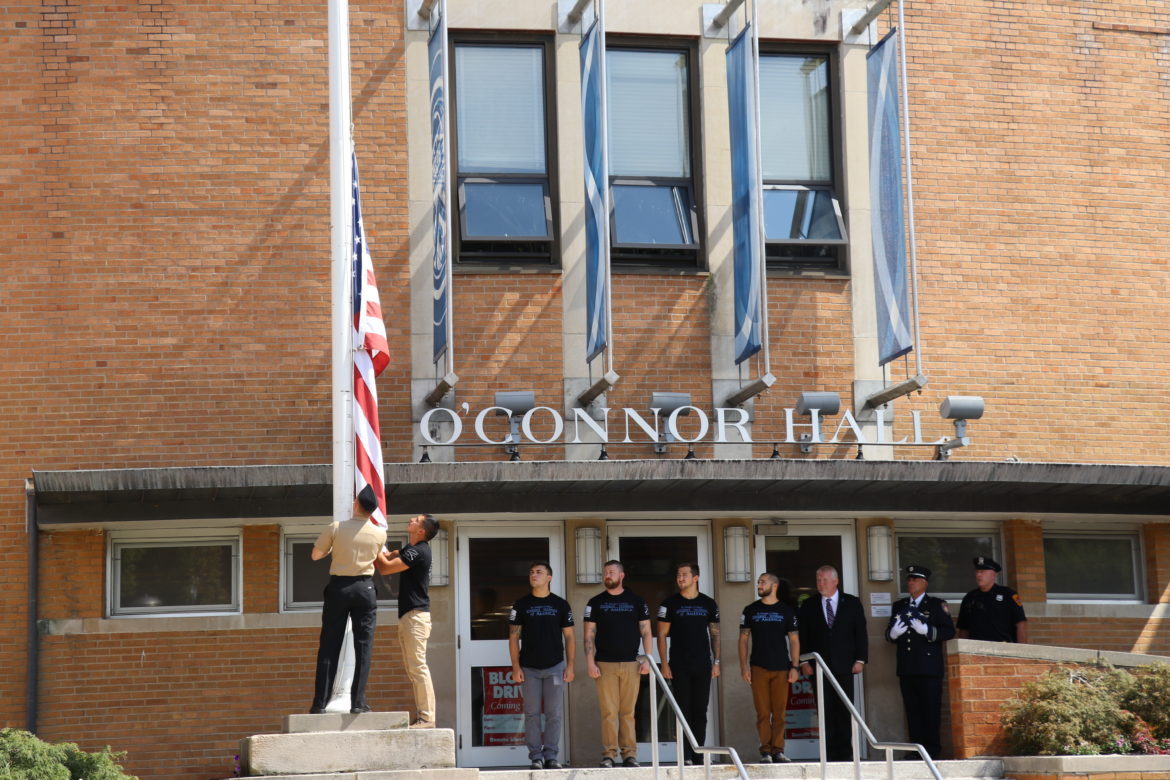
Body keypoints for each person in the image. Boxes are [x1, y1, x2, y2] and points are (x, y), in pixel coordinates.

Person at [309, 485, 385, 715]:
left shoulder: (336, 528)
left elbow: (315, 555)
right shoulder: (380, 533)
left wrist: (334, 547)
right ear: (372, 510)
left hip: (339, 587)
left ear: (356, 504)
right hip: (365, 588)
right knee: (364, 647)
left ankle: (319, 704)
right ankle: (358, 702)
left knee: (329, 646)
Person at [584, 560, 653, 769]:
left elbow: (647, 631)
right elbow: (588, 634)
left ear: (622, 575)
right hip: (604, 664)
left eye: (611, 572)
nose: (607, 575)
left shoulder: (637, 601)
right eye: (605, 572)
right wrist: (590, 662)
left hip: (632, 664)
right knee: (608, 712)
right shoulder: (595, 602)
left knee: (628, 713)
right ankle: (609, 755)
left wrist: (648, 659)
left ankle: (629, 755)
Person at [375, 512, 440, 728]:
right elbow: (389, 556)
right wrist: (377, 543)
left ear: (421, 531)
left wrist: (371, 544)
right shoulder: (410, 550)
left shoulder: (418, 551)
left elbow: (384, 568)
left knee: (418, 666)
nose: (411, 520)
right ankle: (424, 715)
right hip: (409, 616)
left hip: (416, 616)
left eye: (416, 520)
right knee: (413, 667)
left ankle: (427, 717)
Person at [509, 560, 576, 770]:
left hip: (555, 666)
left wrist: (571, 666)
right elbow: (513, 638)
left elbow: (570, 637)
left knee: (554, 713)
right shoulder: (521, 604)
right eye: (531, 572)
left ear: (549, 578)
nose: (534, 575)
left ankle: (551, 756)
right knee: (531, 714)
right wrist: (515, 667)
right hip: (529, 668)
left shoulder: (561, 604)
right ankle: (536, 756)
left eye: (539, 572)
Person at [798, 565, 868, 762]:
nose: (820, 584)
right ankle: (828, 754)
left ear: (835, 581)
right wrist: (804, 661)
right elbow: (803, 635)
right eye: (818, 580)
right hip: (818, 666)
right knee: (825, 709)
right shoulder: (809, 604)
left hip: (845, 665)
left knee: (844, 708)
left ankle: (845, 753)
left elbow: (860, 633)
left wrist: (860, 659)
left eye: (824, 580)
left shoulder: (852, 603)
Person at [885, 565, 956, 759]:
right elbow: (890, 632)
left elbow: (949, 631)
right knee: (912, 712)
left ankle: (931, 751)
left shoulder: (936, 605)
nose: (910, 582)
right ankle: (916, 751)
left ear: (924, 582)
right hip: (907, 668)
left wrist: (928, 632)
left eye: (915, 579)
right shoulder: (899, 606)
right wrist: (893, 634)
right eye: (909, 579)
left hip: (929, 668)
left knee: (930, 711)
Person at [657, 562, 720, 766]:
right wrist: (664, 664)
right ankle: (685, 756)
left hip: (702, 664)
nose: (680, 578)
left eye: (684, 575)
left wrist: (716, 661)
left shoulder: (709, 604)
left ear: (696, 578)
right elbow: (661, 635)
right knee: (683, 710)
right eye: (678, 575)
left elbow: (715, 635)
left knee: (700, 710)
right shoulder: (669, 604)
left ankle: (698, 753)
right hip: (679, 664)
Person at [738, 572, 800, 764]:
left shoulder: (786, 610)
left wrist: (795, 667)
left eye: (762, 582)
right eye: (758, 582)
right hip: (758, 667)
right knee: (763, 713)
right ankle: (765, 751)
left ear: (774, 585)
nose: (759, 585)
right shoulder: (750, 610)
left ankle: (778, 751)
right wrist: (744, 667)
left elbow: (794, 640)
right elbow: (743, 639)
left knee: (780, 713)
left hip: (782, 667)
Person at [956, 556, 1028, 643]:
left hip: (1003, 649)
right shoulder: (969, 598)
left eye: (982, 571)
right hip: (976, 651)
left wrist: (1020, 651)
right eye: (977, 571)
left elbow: (1021, 624)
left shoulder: (1008, 595)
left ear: (993, 575)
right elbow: (964, 629)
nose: (978, 574)